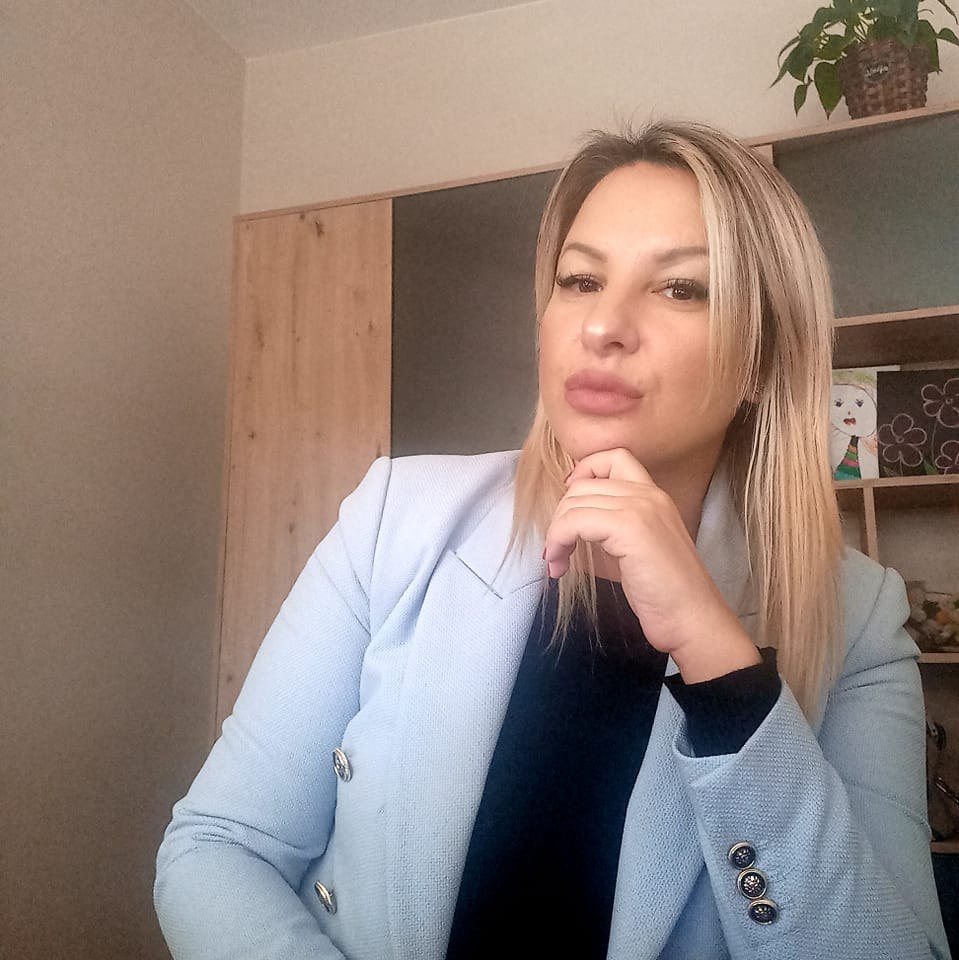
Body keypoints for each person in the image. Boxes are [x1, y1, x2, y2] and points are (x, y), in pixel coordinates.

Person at [154, 118, 951, 960]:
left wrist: (722, 667)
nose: (602, 325)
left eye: (680, 288)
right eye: (579, 279)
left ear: (760, 358)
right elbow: (218, 846)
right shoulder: (395, 520)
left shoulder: (856, 618)